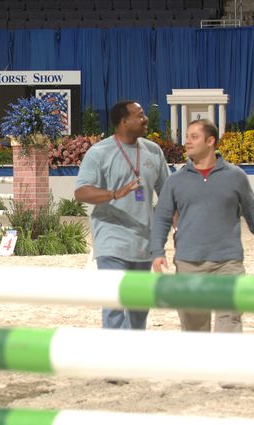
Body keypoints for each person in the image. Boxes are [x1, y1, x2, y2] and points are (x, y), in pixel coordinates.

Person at [151, 119, 254, 332]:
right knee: (194, 329)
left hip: (228, 263)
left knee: (230, 323)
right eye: (187, 137)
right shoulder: (175, 181)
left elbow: (253, 212)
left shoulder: (236, 177)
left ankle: (227, 366)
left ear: (210, 141)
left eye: (194, 137)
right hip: (188, 263)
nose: (187, 142)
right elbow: (162, 217)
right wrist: (157, 251)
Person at [75, 100, 170, 330]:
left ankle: (132, 359)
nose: (145, 118)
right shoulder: (99, 152)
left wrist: (179, 227)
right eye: (140, 114)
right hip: (111, 240)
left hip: (143, 242)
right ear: (123, 121)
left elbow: (168, 196)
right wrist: (115, 193)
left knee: (139, 310)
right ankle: (112, 360)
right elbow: (81, 192)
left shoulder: (153, 151)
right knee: (114, 302)